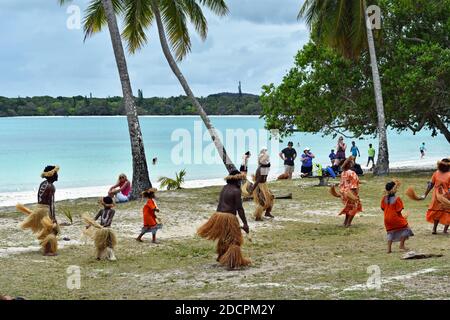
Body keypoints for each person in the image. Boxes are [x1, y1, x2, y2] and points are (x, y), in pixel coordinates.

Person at [197, 170, 250, 270]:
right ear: (236, 180)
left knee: (224, 237)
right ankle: (232, 262)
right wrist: (245, 224)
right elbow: (239, 208)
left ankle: (221, 256)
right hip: (228, 216)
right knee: (235, 240)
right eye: (240, 180)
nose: (240, 182)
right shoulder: (236, 190)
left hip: (218, 216)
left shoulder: (225, 188)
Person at [16, 165, 60, 256]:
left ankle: (47, 248)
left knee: (48, 230)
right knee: (51, 230)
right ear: (51, 174)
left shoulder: (43, 183)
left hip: (39, 208)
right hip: (45, 210)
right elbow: (51, 203)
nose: (57, 175)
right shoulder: (51, 186)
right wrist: (53, 218)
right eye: (56, 173)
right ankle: (47, 251)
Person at [381, 181, 414, 253]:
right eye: (395, 188)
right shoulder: (397, 199)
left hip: (386, 219)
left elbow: (383, 208)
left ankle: (389, 249)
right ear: (392, 189)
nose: (396, 189)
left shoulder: (384, 198)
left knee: (390, 232)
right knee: (407, 228)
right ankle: (401, 245)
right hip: (395, 218)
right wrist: (404, 216)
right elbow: (399, 210)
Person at [423, 158, 450, 234]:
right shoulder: (436, 173)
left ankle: (445, 230)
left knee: (448, 212)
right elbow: (431, 184)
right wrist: (425, 194)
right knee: (437, 212)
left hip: (446, 196)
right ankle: (434, 229)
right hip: (437, 197)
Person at [250, 148, 274, 221]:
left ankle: (267, 212)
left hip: (264, 185)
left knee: (271, 198)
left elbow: (264, 178)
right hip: (259, 186)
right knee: (262, 201)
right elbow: (257, 181)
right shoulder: (260, 169)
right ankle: (258, 216)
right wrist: (253, 190)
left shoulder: (266, 167)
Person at [337, 157, 362, 227]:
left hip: (344, 194)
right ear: (348, 164)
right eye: (351, 162)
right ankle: (348, 223)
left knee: (348, 208)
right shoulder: (352, 173)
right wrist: (354, 196)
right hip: (351, 193)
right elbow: (353, 185)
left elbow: (343, 184)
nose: (352, 163)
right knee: (354, 208)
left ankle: (345, 222)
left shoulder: (343, 173)